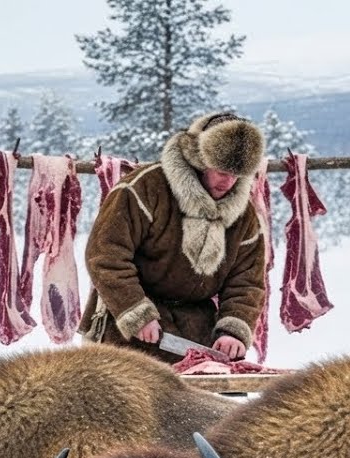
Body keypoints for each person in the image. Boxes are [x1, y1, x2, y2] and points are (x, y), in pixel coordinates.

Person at [78, 110, 267, 362]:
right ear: (200, 160)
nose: (228, 182)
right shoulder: (144, 188)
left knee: (219, 399)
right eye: (221, 171)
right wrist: (135, 311)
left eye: (236, 175)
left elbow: (247, 280)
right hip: (126, 327)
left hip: (198, 331)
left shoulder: (244, 214)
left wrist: (233, 330)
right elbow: (105, 254)